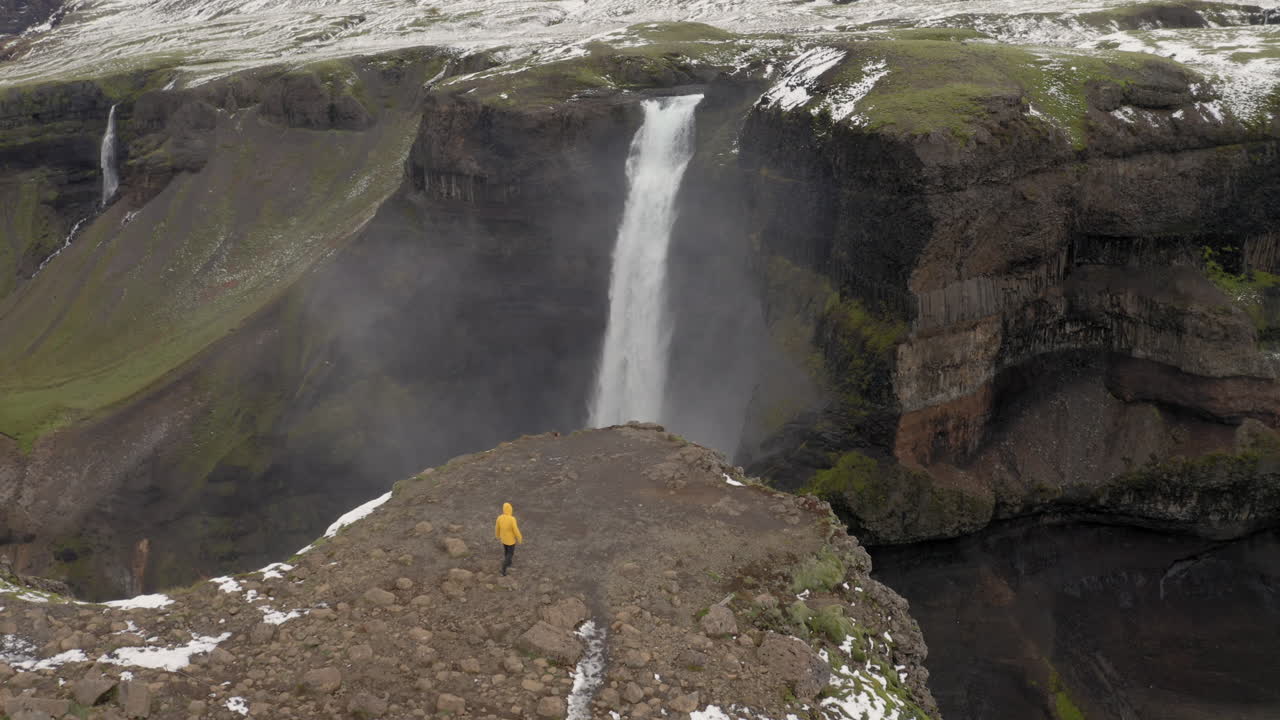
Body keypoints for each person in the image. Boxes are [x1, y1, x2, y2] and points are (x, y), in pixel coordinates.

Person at [494, 502, 523, 576]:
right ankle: (504, 565)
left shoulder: (499, 518)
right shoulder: (512, 519)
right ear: (510, 510)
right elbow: (515, 530)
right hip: (511, 541)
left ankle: (509, 563)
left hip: (503, 539)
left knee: (506, 551)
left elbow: (497, 528)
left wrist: (497, 535)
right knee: (510, 553)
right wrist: (519, 538)